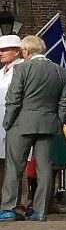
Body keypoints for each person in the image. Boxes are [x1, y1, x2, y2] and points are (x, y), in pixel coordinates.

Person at [0, 35, 66, 222]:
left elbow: (14, 98)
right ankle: (40, 210)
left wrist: (7, 122)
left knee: (14, 167)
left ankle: (10, 208)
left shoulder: (22, 68)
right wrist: (58, 120)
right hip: (48, 124)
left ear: (26, 51)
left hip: (21, 124)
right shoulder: (60, 71)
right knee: (45, 168)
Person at [0, 35, 20, 196]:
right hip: (1, 125)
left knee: (16, 166)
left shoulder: (22, 70)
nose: (1, 53)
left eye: (5, 50)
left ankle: (19, 203)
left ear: (17, 52)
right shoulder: (1, 72)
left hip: (15, 124)